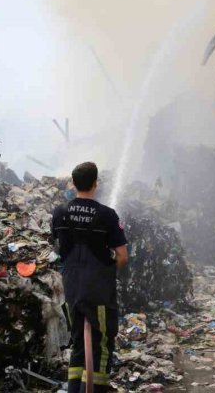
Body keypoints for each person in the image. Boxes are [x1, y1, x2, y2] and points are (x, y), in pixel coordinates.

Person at [51, 162, 128, 392]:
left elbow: (57, 248)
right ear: (96, 184)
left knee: (77, 342)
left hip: (71, 287)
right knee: (101, 343)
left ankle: (74, 388)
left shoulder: (59, 212)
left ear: (73, 184)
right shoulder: (107, 215)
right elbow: (122, 256)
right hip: (99, 289)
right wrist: (108, 272)